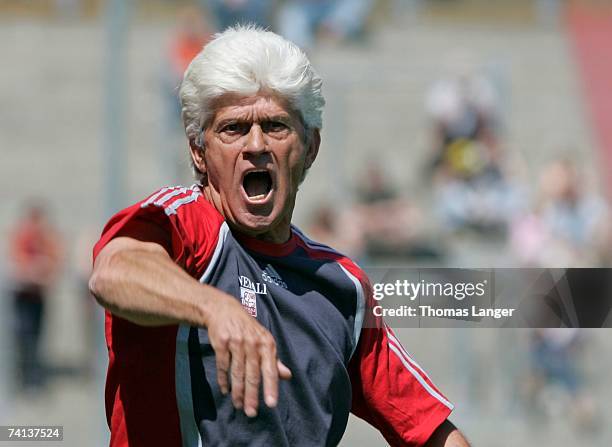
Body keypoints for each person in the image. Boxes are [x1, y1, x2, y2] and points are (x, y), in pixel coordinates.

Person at [90, 26, 469, 447]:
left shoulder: (341, 286)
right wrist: (216, 310)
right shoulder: (186, 224)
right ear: (199, 151)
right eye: (233, 128)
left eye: (275, 125)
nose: (256, 144)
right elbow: (115, 271)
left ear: (310, 147)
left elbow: (430, 431)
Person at [8, 201, 62, 391]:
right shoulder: (23, 237)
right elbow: (18, 264)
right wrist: (35, 270)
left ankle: (32, 376)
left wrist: (41, 269)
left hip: (38, 296)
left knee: (36, 336)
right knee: (24, 336)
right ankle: (24, 376)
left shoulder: (45, 239)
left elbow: (54, 262)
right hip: (22, 296)